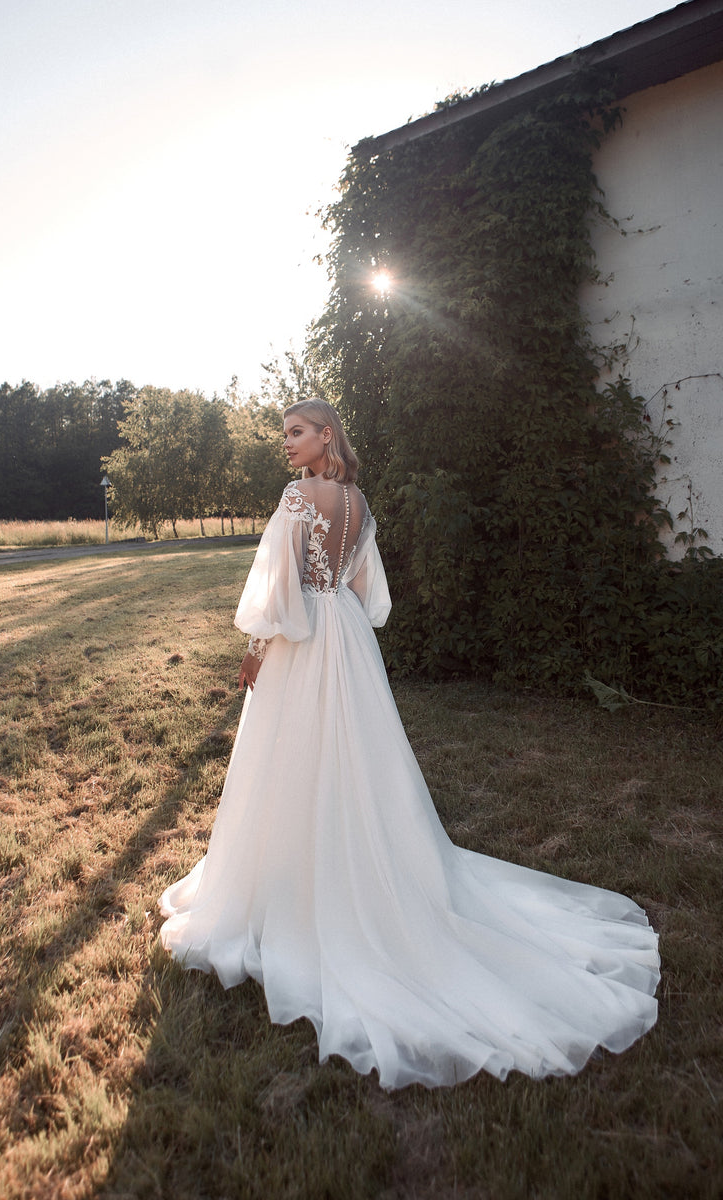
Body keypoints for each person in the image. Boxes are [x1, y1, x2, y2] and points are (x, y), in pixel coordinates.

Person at [159, 398, 659, 1090]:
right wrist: (337, 615)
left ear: (325, 434)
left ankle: (293, 884)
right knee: (358, 760)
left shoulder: (299, 496)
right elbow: (364, 587)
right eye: (285, 435)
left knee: (291, 761)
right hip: (348, 638)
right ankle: (352, 862)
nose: (287, 444)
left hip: (304, 643)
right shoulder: (358, 503)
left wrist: (255, 652)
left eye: (296, 432)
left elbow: (279, 589)